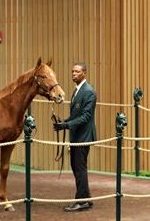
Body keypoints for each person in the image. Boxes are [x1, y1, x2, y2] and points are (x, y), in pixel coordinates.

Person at [53, 62, 96, 212]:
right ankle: (86, 198)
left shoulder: (89, 92)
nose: (73, 74)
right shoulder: (77, 91)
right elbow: (76, 115)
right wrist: (64, 122)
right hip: (77, 136)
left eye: (77, 71)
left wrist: (65, 126)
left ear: (84, 73)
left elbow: (85, 117)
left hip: (83, 137)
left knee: (79, 168)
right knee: (77, 167)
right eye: (72, 71)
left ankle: (81, 201)